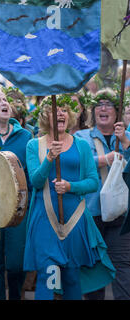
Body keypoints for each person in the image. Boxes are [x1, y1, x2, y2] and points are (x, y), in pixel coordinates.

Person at [25, 95, 115, 300]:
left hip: (75, 219)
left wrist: (70, 186)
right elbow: (36, 182)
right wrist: (49, 158)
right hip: (44, 219)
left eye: (65, 110)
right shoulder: (34, 145)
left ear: (71, 115)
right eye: (55, 110)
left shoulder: (81, 145)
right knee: (47, 276)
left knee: (72, 278)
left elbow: (93, 182)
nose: (60, 113)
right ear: (45, 116)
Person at [75, 88, 130, 300]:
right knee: (94, 267)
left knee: (123, 266)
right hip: (91, 213)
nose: (103, 108)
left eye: (108, 104)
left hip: (121, 215)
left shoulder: (127, 137)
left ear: (117, 112)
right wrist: (103, 159)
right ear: (92, 111)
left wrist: (125, 142)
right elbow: (78, 162)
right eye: (99, 104)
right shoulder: (81, 137)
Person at [0, 85, 32, 300]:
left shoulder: (26, 136)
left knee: (17, 264)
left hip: (19, 210)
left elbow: (31, 173)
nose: (4, 103)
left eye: (5, 100)